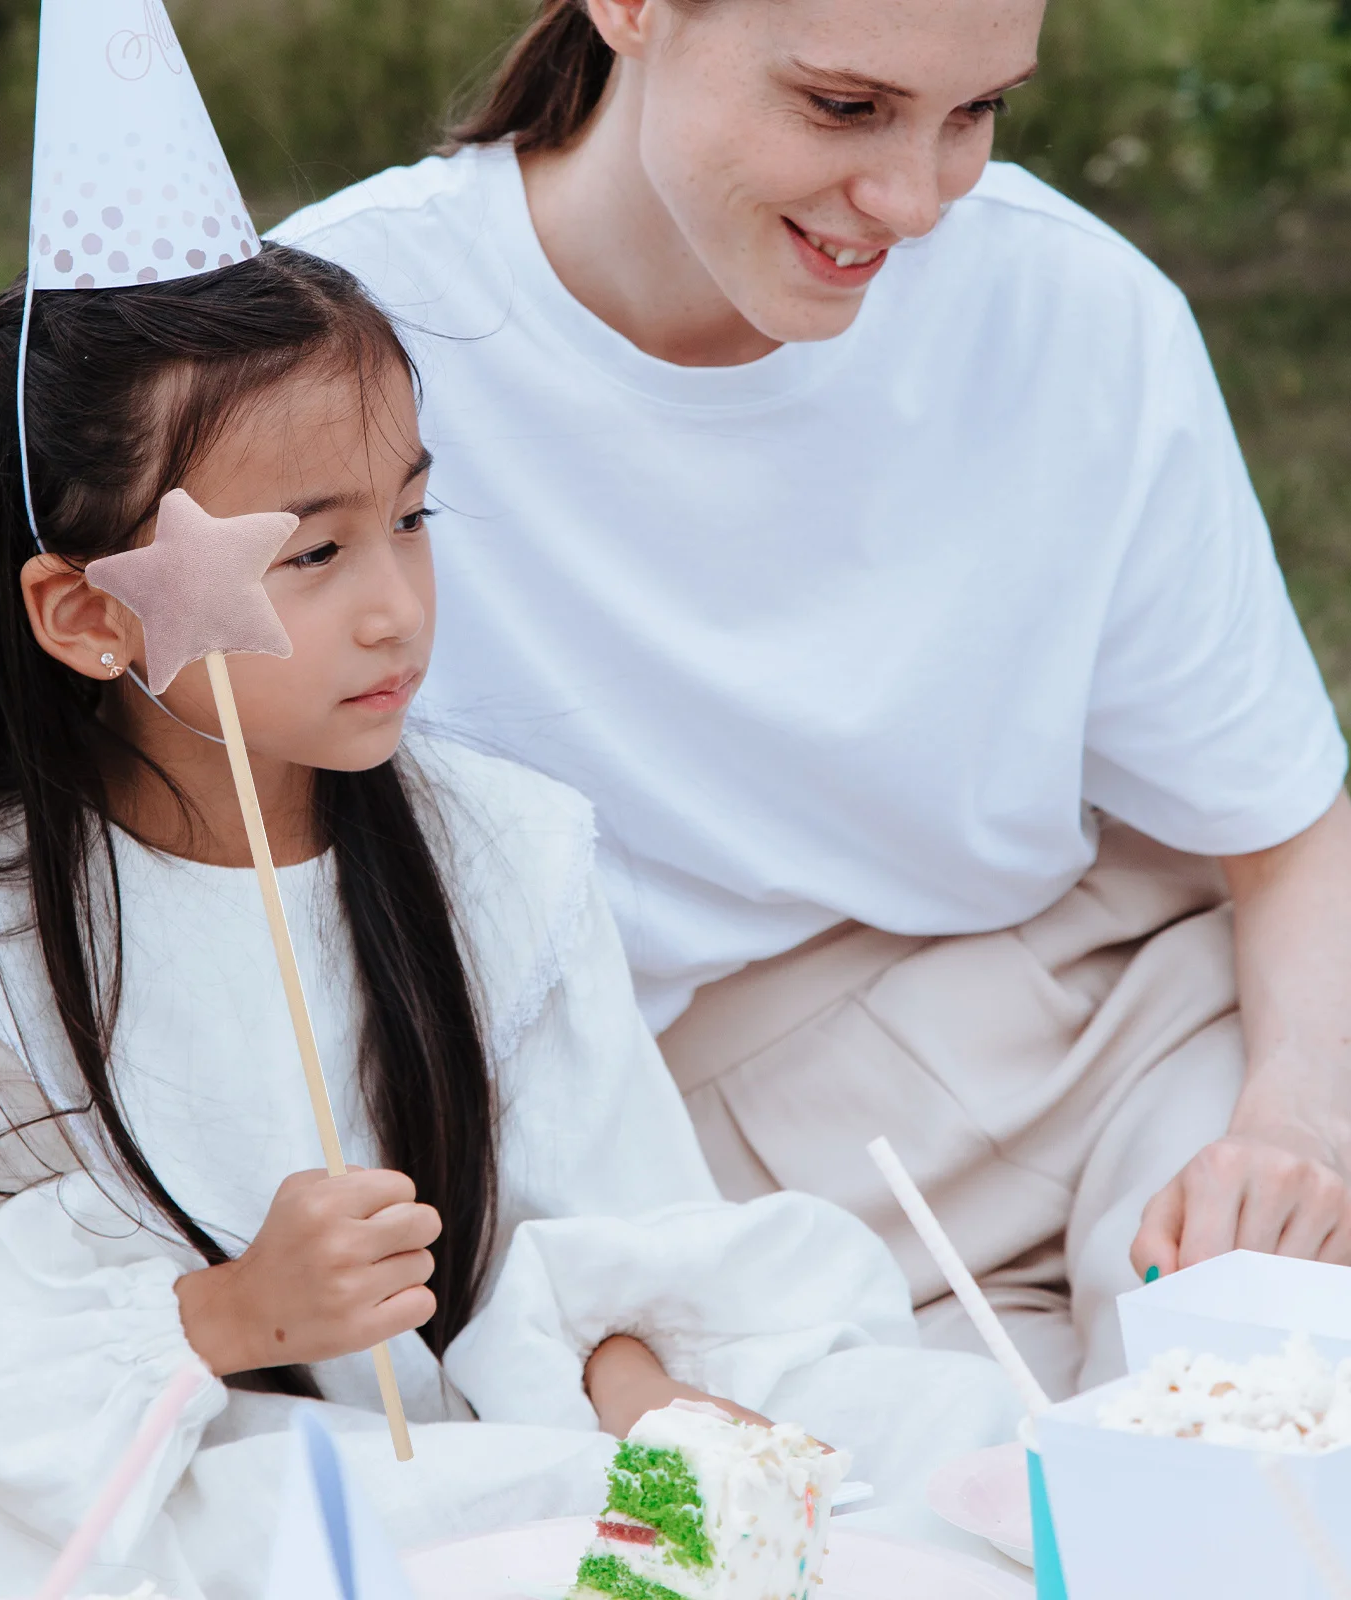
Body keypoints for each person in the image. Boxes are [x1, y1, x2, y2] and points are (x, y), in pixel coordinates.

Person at [0, 245, 1017, 1599]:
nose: (395, 610)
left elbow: (598, 1231)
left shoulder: (503, 853)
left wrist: (656, 1407)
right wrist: (230, 1315)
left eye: (410, 521)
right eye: (312, 552)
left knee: (912, 1471)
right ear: (87, 616)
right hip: (181, 1518)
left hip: (501, 1463)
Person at [269, 0, 1351, 1399]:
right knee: (928, 1511)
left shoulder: (1074, 309)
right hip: (664, 1178)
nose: (912, 202)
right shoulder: (324, 344)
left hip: (1118, 1044)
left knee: (1259, 1434)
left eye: (976, 113)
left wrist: (1300, 1125)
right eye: (844, 106)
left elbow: (1281, 829)